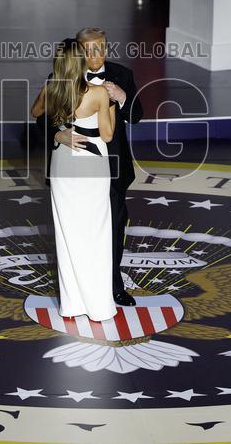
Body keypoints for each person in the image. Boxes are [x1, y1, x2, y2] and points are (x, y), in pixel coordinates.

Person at [32, 27, 144, 307]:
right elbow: (39, 118)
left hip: (112, 167)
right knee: (75, 227)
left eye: (102, 47)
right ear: (80, 51)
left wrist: (121, 97)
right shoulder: (62, 75)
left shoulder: (122, 75)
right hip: (71, 167)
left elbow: (138, 116)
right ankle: (78, 292)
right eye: (90, 49)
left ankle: (114, 286)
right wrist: (58, 134)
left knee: (113, 227)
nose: (98, 54)